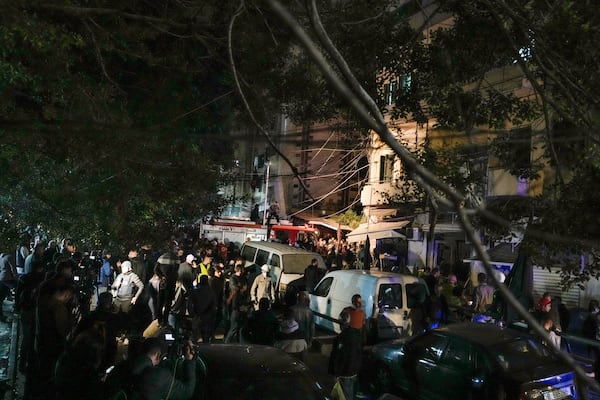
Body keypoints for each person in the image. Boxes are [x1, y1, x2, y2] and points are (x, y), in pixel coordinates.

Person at [131, 337, 196, 400]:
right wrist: (190, 361)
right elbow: (186, 392)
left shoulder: (125, 367)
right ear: (157, 355)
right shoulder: (159, 376)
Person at [329, 294, 364, 400]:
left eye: (360, 302)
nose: (359, 304)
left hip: (347, 372)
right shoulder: (348, 312)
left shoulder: (342, 338)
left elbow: (340, 356)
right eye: (357, 301)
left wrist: (336, 373)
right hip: (353, 369)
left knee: (346, 393)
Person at [188, 274, 216, 343]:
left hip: (197, 313)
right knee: (206, 332)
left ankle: (194, 344)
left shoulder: (195, 290)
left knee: (195, 331)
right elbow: (213, 303)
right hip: (207, 314)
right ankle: (206, 343)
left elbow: (190, 301)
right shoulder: (211, 291)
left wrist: (191, 312)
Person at [224, 264, 249, 343]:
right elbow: (234, 289)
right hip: (236, 306)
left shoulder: (243, 278)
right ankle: (227, 342)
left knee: (241, 328)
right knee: (234, 327)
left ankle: (240, 342)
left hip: (242, 305)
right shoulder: (233, 278)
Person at [0, 252, 17, 323]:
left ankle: (1, 315)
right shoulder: (9, 257)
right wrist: (16, 278)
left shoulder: (1, 257)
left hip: (1, 278)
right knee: (18, 289)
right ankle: (16, 307)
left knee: (1, 297)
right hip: (8, 278)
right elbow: (13, 269)